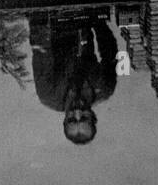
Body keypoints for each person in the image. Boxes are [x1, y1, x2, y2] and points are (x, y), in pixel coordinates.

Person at [31, 15, 118, 145]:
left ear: (65, 120)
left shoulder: (48, 95)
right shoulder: (105, 88)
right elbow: (110, 51)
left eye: (72, 119)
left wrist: (47, 15)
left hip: (52, 21)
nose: (77, 112)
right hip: (85, 18)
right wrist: (97, 19)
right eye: (84, 117)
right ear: (93, 116)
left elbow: (42, 49)